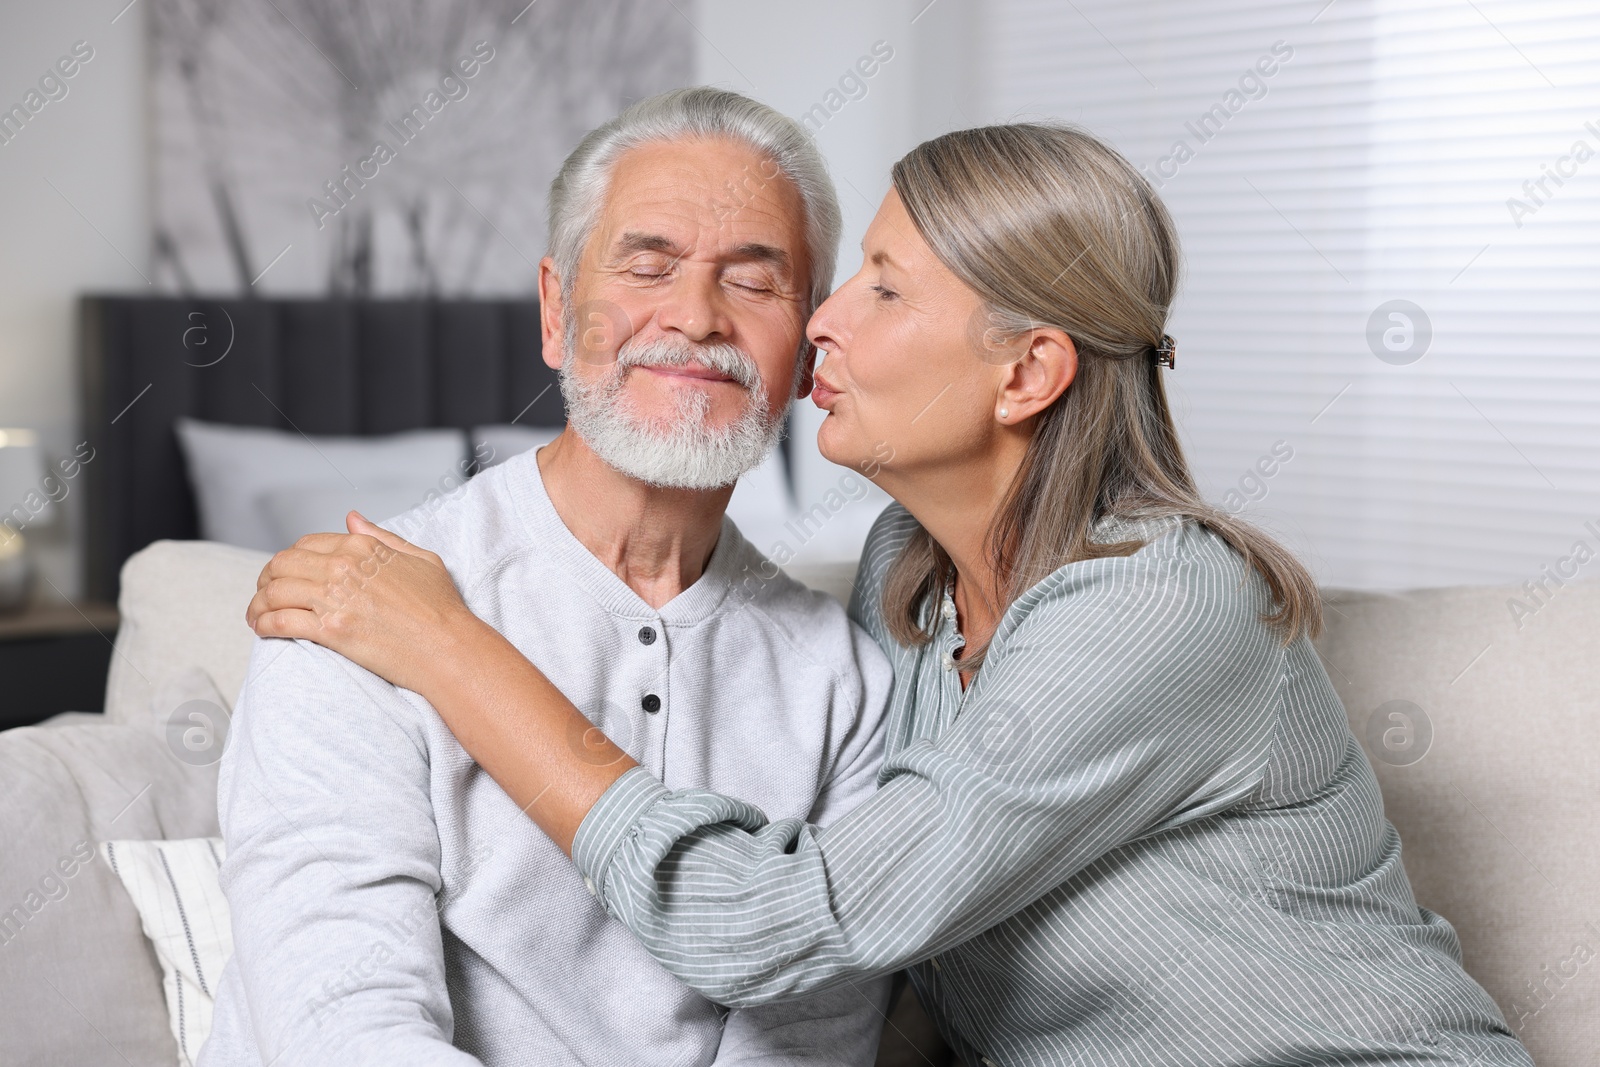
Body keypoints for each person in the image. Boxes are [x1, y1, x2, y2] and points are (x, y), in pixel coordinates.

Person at [248, 120, 1535, 1066]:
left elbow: (784, 924)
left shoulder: (1157, 606)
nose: (814, 323)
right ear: (555, 308)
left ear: (1027, 374)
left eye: (867, 285)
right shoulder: (899, 591)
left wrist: (453, 650)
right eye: (644, 265)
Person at [201, 88, 897, 1067]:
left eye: (752, 281)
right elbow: (343, 1025)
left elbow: (809, 1037)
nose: (695, 317)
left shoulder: (840, 679)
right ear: (557, 309)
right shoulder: (355, 610)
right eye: (646, 264)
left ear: (803, 347)